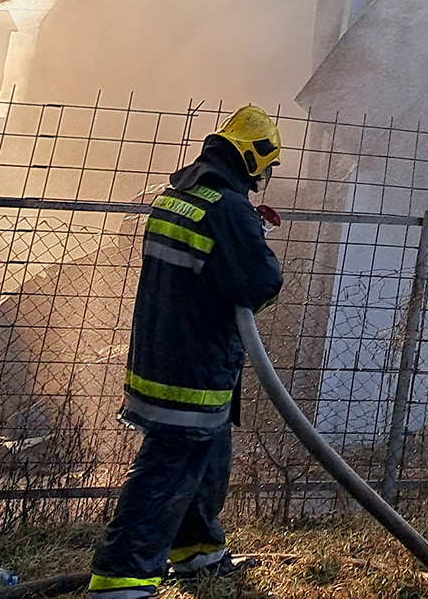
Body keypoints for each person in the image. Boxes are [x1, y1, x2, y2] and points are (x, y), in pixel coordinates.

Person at [88, 104, 286, 594]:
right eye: (266, 166)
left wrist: (241, 235)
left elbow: (203, 266)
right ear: (254, 157)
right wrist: (251, 237)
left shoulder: (179, 195)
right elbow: (260, 283)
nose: (264, 178)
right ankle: (121, 578)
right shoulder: (228, 207)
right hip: (195, 367)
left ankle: (199, 555)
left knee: (207, 458)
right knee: (167, 469)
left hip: (160, 352)